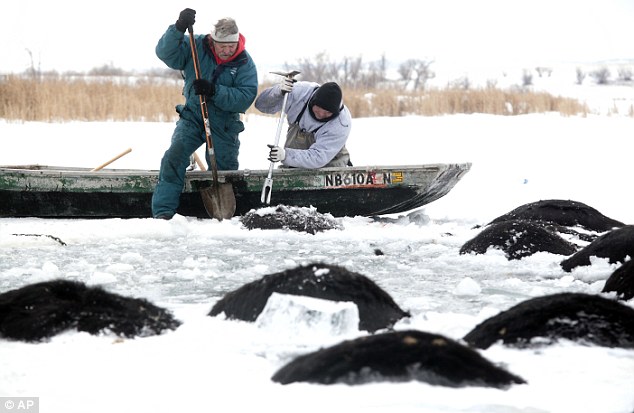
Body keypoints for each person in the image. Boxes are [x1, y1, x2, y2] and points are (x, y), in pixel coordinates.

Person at [151, 8, 258, 219]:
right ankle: (163, 214)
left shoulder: (245, 62)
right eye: (222, 46)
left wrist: (214, 91)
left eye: (231, 46)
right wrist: (179, 27)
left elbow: (245, 96)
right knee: (173, 158)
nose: (227, 51)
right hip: (193, 117)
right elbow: (166, 54)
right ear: (213, 41)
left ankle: (227, 216)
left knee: (225, 172)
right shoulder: (195, 45)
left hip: (224, 123)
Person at [255, 78, 351, 168]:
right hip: (295, 156)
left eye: (327, 112)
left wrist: (286, 155)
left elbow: (318, 157)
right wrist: (278, 92)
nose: (321, 114)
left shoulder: (342, 123)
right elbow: (261, 106)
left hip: (330, 161)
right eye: (318, 110)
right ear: (313, 102)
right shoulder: (298, 93)